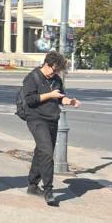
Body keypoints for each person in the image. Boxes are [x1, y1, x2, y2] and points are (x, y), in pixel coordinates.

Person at [21, 50, 80, 207]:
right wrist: (49, 95)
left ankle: (32, 185)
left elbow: (60, 96)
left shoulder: (56, 80)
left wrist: (68, 101)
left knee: (41, 151)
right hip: (36, 118)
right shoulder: (32, 77)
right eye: (53, 70)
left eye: (57, 71)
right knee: (47, 152)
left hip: (52, 119)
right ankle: (48, 190)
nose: (54, 73)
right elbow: (29, 100)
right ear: (46, 65)